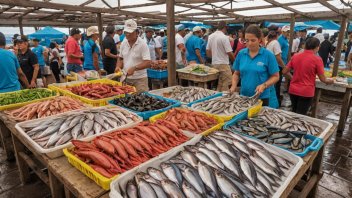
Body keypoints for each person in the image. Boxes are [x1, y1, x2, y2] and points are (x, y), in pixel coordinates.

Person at [231, 25, 280, 107]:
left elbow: (276, 76)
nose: (249, 43)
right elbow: (236, 73)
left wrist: (264, 85)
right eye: (247, 40)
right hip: (244, 96)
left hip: (261, 98)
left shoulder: (268, 55)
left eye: (253, 40)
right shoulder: (241, 54)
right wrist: (233, 86)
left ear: (259, 40)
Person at [283, 37, 334, 115]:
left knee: (293, 113)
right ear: (317, 47)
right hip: (306, 92)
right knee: (301, 115)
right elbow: (323, 79)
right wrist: (331, 81)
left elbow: (284, 72)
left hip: (293, 90)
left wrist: (293, 78)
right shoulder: (317, 59)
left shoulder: (296, 56)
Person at [115, 19, 151, 92]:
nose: (127, 34)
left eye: (130, 32)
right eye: (126, 32)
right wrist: (118, 66)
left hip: (140, 79)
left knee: (141, 99)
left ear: (137, 32)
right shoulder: (123, 43)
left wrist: (134, 68)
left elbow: (148, 62)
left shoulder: (143, 44)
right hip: (126, 78)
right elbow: (120, 58)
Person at [206, 21, 235, 91]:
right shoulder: (224, 37)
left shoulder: (210, 36)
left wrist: (214, 57)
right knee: (227, 83)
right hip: (223, 64)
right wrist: (235, 61)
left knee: (219, 83)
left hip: (214, 64)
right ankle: (224, 99)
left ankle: (218, 97)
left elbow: (207, 51)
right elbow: (229, 53)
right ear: (225, 27)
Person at [266, 29, 286, 107]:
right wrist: (284, 66)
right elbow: (278, 57)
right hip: (276, 67)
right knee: (277, 86)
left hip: (269, 68)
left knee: (273, 86)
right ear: (276, 36)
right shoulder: (276, 43)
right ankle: (276, 103)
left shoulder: (269, 43)